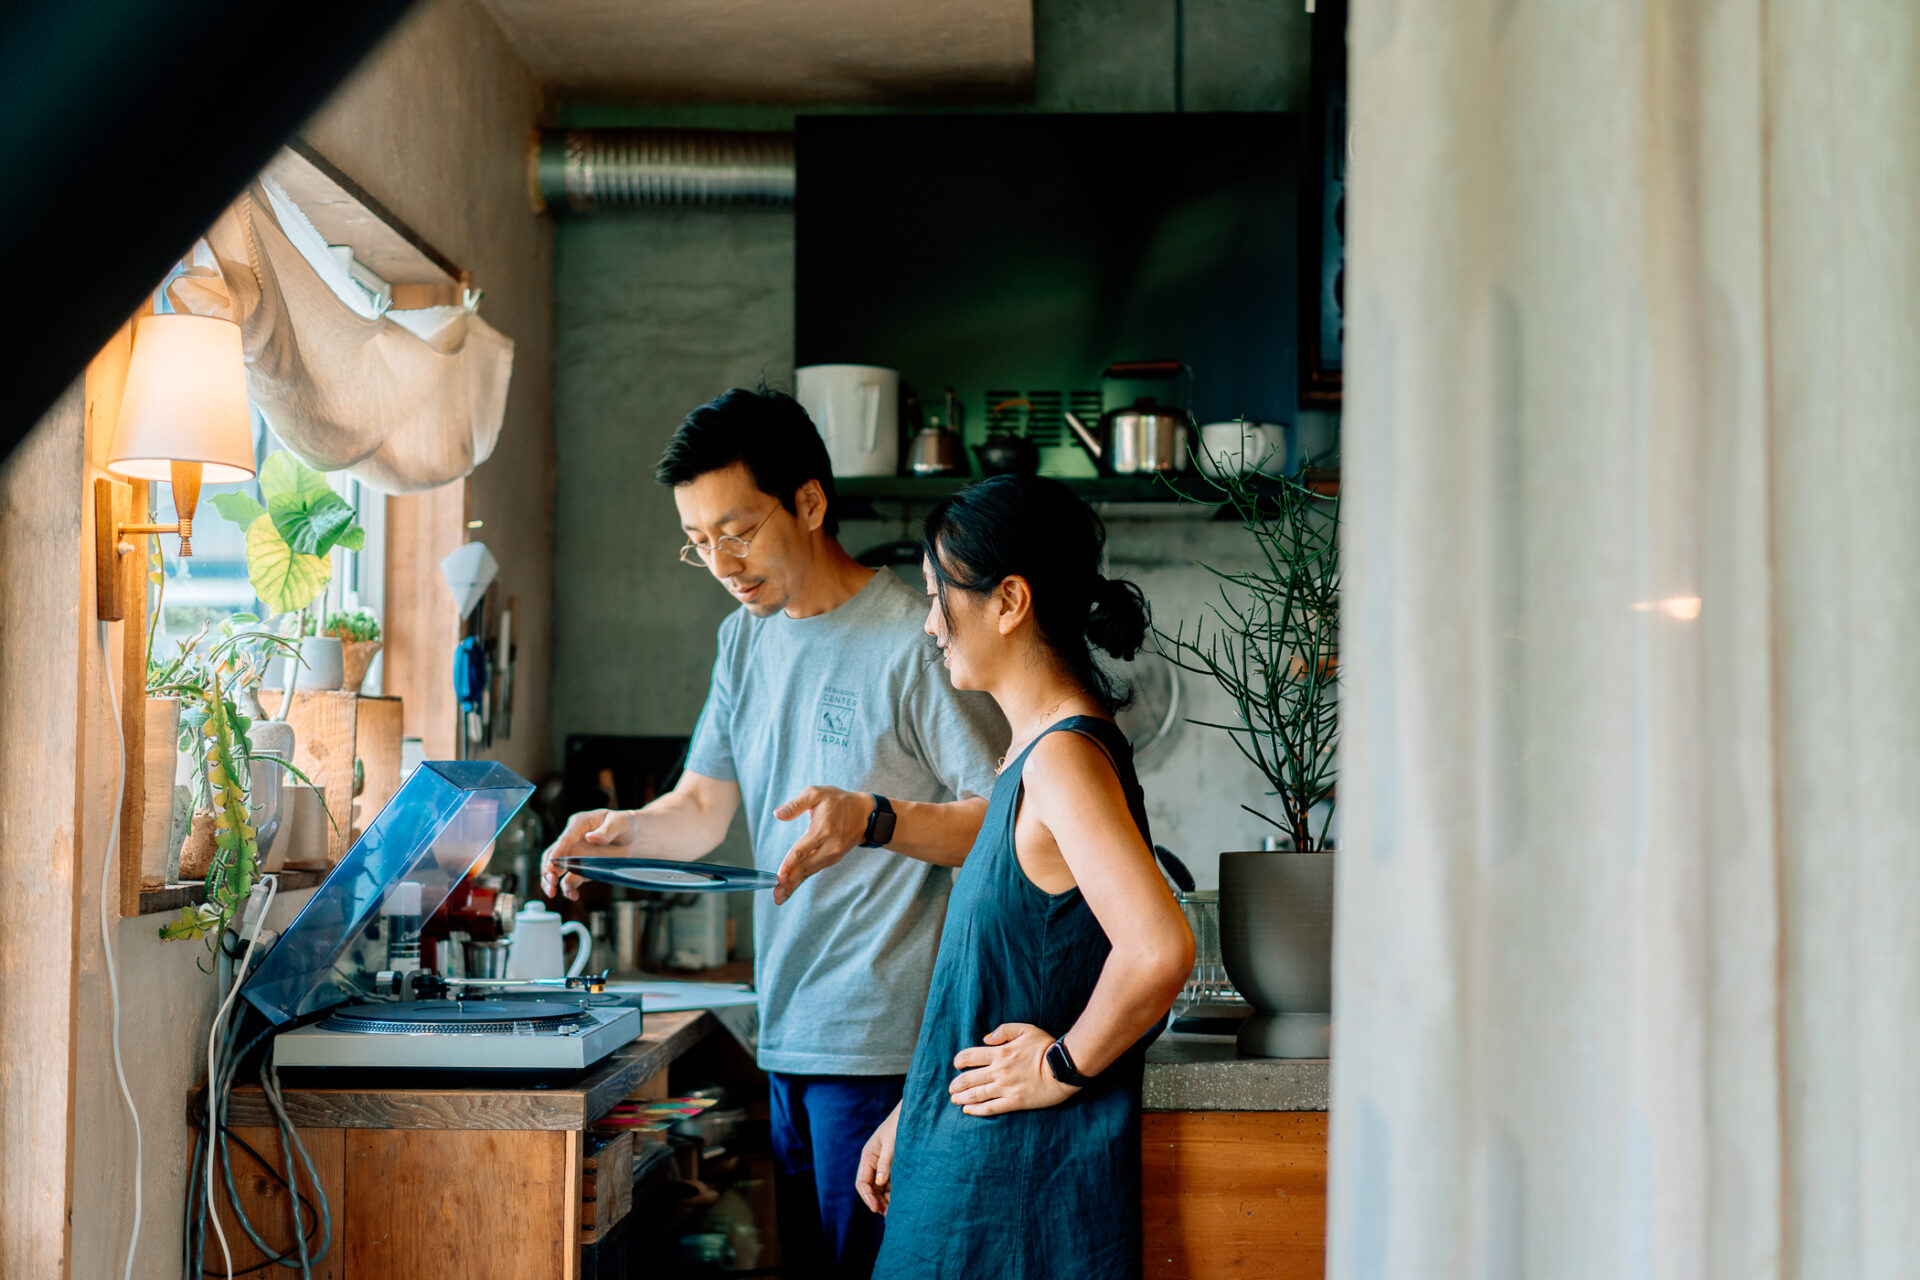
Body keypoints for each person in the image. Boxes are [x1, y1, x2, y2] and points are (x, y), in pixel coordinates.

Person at [539, 387, 1006, 1280]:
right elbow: (703, 808)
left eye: (739, 531)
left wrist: (874, 822)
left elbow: (1008, 821)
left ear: (811, 503)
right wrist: (617, 832)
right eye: (700, 541)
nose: (721, 561)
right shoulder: (743, 642)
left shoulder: (915, 639)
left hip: (885, 1043)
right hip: (785, 1033)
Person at [849, 474, 1196, 1280]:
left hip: (1011, 1199)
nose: (932, 625)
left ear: (1008, 601)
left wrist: (1059, 1065)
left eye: (942, 597)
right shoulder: (1032, 754)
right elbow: (1004, 979)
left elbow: (1157, 948)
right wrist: (920, 1103)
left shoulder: (1063, 760)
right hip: (969, 1165)